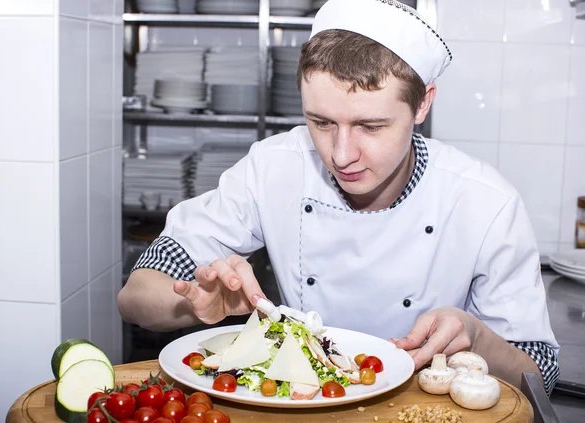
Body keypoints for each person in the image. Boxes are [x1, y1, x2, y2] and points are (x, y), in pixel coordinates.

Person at [118, 0, 560, 394]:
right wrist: (196, 303)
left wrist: (475, 335)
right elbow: (135, 297)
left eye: (371, 126)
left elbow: (539, 375)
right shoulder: (273, 168)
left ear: (422, 104)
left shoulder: (483, 201)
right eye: (321, 122)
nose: (342, 155)